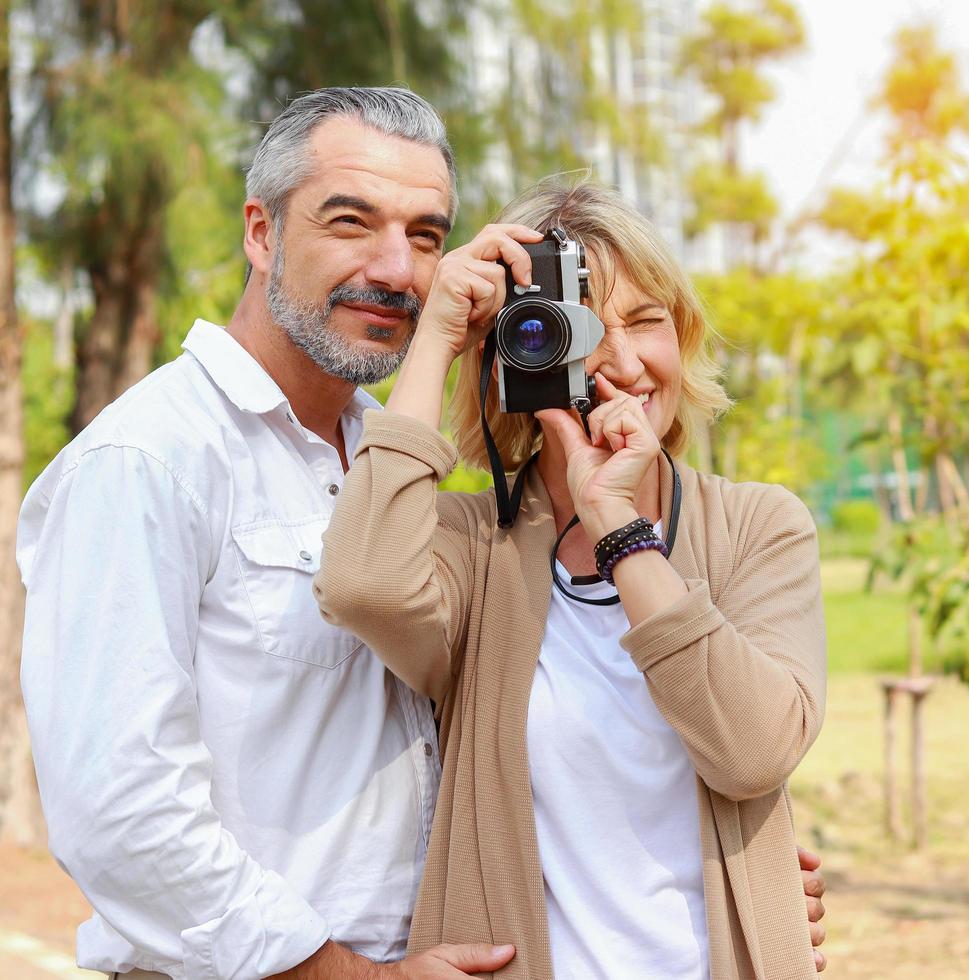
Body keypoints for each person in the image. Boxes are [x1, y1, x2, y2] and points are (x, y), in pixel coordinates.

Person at [16, 87, 827, 979]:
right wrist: (350, 975)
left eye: (429, 238)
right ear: (261, 232)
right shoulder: (150, 461)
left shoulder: (387, 455)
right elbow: (122, 808)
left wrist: (738, 869)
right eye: (351, 221)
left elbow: (699, 761)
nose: (398, 270)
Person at [314, 176, 828, 979]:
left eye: (649, 322)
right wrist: (439, 336)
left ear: (683, 336)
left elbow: (754, 752)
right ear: (520, 351)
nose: (624, 362)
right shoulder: (473, 547)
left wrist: (621, 529)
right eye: (584, 328)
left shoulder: (757, 529)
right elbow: (362, 587)